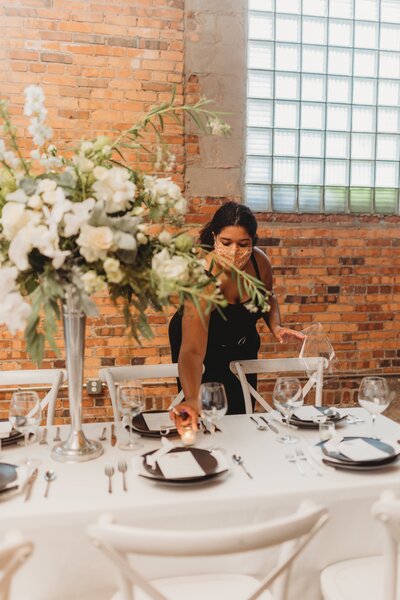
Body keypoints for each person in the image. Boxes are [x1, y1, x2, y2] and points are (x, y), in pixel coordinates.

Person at [168, 201, 304, 432]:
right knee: (207, 414)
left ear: (253, 241)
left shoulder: (259, 263)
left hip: (242, 343)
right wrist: (192, 399)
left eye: (243, 244)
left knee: (243, 416)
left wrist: (276, 327)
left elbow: (268, 298)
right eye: (226, 243)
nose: (234, 252)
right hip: (201, 349)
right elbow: (192, 350)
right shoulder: (202, 279)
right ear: (214, 237)